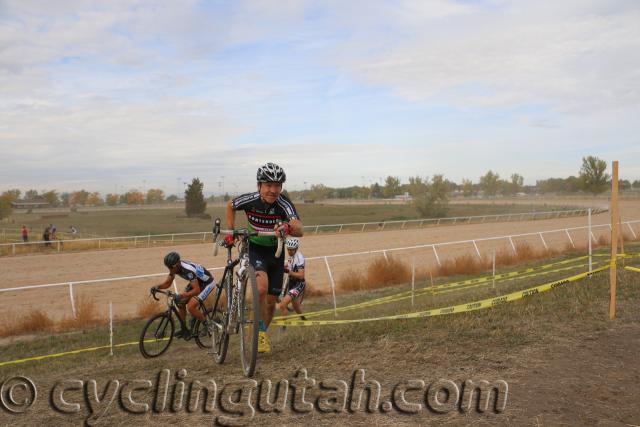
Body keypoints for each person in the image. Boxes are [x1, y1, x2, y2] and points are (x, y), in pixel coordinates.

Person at [226, 162, 303, 353]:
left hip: (276, 254)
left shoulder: (283, 203)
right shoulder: (250, 200)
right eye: (268, 185)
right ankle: (257, 333)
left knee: (270, 303)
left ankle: (258, 335)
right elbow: (230, 205)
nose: (273, 190)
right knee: (260, 288)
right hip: (255, 249)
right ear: (259, 185)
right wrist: (231, 230)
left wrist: (287, 228)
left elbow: (299, 229)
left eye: (277, 185)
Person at [151, 251, 216, 338]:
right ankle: (184, 329)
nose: (170, 270)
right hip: (197, 281)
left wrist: (182, 295)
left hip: (207, 283)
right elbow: (168, 283)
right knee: (180, 303)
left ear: (176, 265)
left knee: (191, 307)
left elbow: (196, 290)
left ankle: (208, 325)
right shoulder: (175, 268)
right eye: (168, 267)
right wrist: (157, 287)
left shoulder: (187, 270)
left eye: (170, 267)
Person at [279, 237, 307, 324]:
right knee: (296, 307)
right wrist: (284, 267)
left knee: (283, 304)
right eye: (288, 249)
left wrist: (288, 271)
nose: (289, 252)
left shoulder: (299, 257)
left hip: (298, 284)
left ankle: (283, 327)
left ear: (296, 249)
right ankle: (304, 321)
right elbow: (290, 265)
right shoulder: (291, 256)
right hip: (292, 282)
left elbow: (301, 275)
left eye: (292, 250)